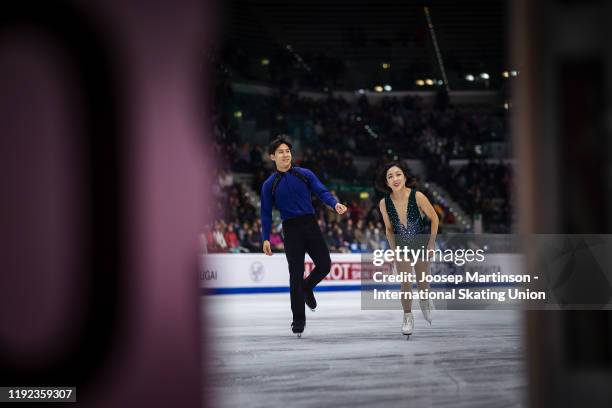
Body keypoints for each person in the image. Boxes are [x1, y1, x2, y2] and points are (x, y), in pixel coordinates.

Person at [260, 136, 347, 337]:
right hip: (291, 230)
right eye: (280, 152)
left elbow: (321, 191)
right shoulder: (269, 185)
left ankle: (307, 287)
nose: (285, 155)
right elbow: (265, 212)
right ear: (272, 157)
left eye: (288, 151)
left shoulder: (304, 174)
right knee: (295, 275)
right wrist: (265, 237)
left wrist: (334, 204)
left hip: (310, 225)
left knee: (325, 265)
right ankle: (298, 319)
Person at [376, 161, 439, 336]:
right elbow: (389, 229)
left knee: (422, 283)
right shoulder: (384, 203)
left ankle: (425, 300)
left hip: (420, 243)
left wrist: (431, 243)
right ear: (386, 183)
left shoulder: (417, 196)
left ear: (404, 177)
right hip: (401, 245)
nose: (395, 178)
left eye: (398, 174)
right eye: (390, 176)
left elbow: (434, 218)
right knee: (405, 282)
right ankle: (407, 316)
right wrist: (394, 250)